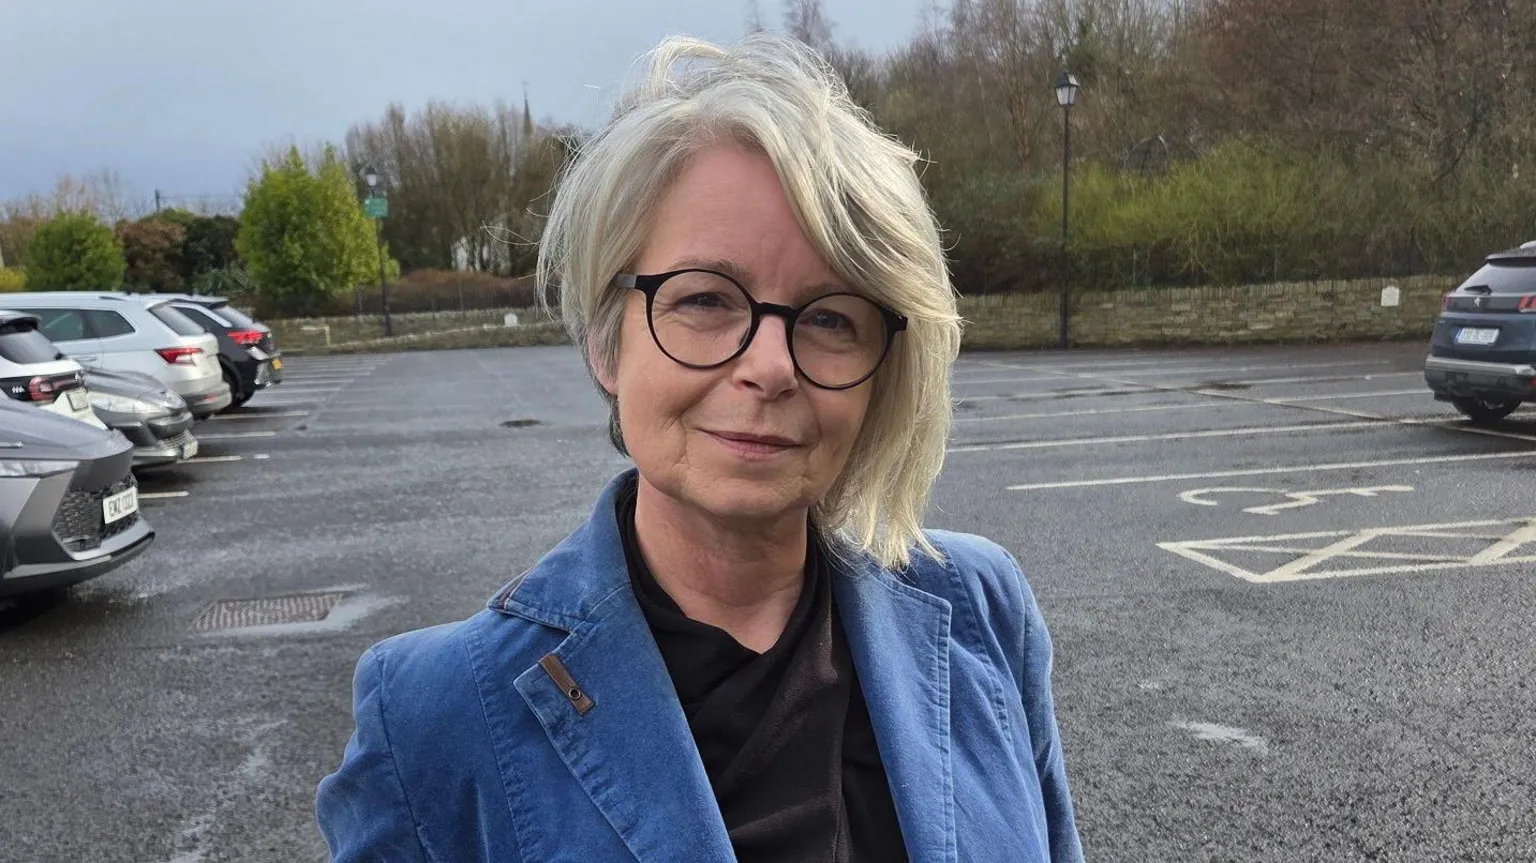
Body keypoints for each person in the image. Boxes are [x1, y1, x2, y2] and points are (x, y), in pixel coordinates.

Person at [316, 32, 1083, 863]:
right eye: (706, 299)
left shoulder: (981, 610)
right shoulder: (436, 713)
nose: (769, 367)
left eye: (829, 317)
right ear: (608, 343)